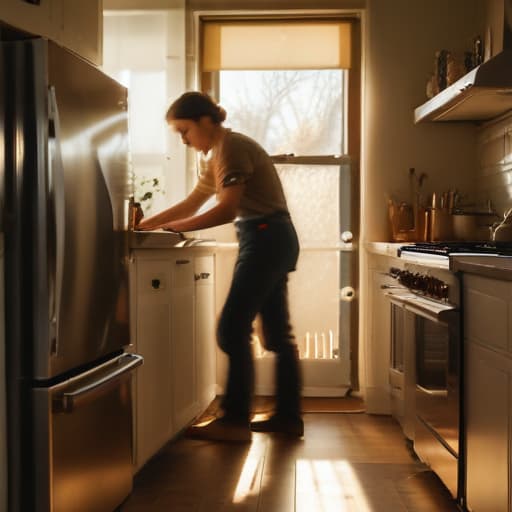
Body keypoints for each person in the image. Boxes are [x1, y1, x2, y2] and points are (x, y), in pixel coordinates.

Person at [137, 91, 303, 442]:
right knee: (277, 334)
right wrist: (146, 225)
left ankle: (234, 420)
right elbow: (192, 203)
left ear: (205, 121)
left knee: (231, 328)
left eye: (184, 131)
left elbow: (227, 209)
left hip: (265, 238)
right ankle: (288, 417)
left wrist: (175, 228)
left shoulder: (231, 147)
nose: (183, 140)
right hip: (269, 238)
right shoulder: (216, 156)